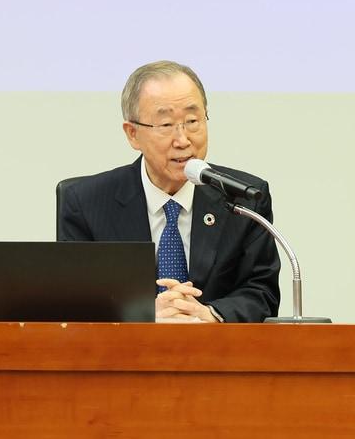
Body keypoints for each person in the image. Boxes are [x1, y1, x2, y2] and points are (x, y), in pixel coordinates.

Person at [58, 61, 281, 322]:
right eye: (165, 125)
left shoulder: (243, 197)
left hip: (218, 356)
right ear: (132, 134)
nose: (183, 139)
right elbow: (74, 304)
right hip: (123, 358)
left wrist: (209, 314)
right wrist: (143, 316)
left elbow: (262, 291)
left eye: (192, 121)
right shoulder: (86, 203)